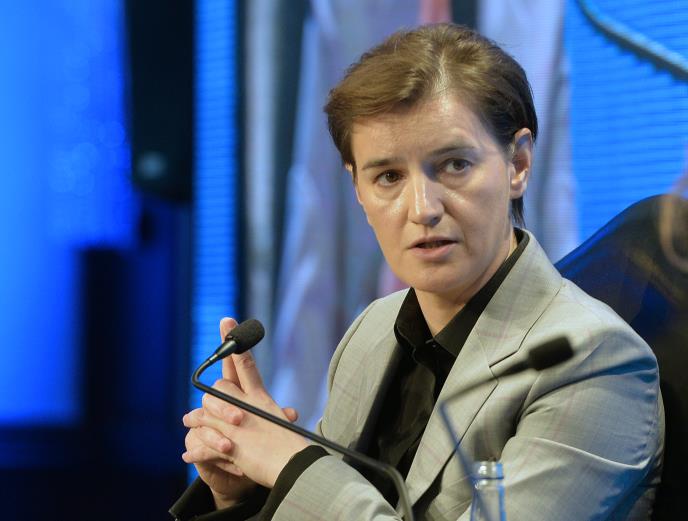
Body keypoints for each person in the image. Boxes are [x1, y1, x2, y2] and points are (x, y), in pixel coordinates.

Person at [171, 24, 663, 520]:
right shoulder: (371, 330)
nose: (423, 208)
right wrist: (246, 492)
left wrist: (292, 465)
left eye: (454, 165)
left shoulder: (594, 361)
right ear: (358, 190)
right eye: (388, 176)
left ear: (517, 163)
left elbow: (318, 487)